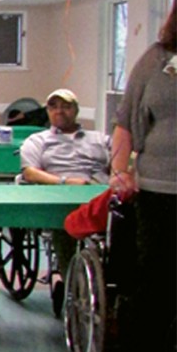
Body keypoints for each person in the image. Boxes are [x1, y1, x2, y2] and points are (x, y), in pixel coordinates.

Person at [107, 0, 176, 352]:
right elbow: (126, 120)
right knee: (158, 286)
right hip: (160, 190)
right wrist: (120, 172)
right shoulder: (157, 60)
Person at [20, 88, 110, 298]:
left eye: (66, 106)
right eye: (54, 106)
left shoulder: (100, 139)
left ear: (76, 110)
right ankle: (73, 283)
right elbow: (30, 172)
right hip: (60, 196)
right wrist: (65, 181)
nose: (59, 111)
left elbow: (120, 164)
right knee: (66, 225)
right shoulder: (37, 141)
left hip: (98, 195)